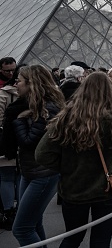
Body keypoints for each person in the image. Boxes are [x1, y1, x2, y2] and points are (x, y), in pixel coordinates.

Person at [35, 72, 112, 247]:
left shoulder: (68, 115)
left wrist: (67, 167)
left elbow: (42, 154)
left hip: (74, 188)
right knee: (101, 240)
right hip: (108, 188)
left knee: (72, 237)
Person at [1, 65, 65, 246]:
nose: (15, 84)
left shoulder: (46, 109)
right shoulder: (32, 106)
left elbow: (29, 142)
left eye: (19, 81)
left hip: (42, 174)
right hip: (30, 171)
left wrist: (19, 120)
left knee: (21, 229)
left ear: (32, 84)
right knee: (33, 223)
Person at [0, 64, 23, 230]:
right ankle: (20, 208)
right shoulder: (32, 96)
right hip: (23, 143)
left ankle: (8, 211)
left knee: (6, 177)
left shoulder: (2, 95)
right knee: (19, 177)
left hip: (6, 141)